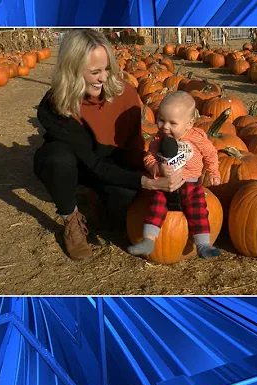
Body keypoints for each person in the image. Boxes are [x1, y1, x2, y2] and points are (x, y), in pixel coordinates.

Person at [34, 29, 185, 261]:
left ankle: (99, 202)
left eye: (107, 69)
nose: (104, 78)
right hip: (78, 163)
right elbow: (92, 163)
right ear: (72, 71)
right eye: (95, 72)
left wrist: (153, 171)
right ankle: (71, 217)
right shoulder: (54, 106)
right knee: (55, 160)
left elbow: (133, 148)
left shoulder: (126, 95)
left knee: (121, 209)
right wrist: (145, 182)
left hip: (110, 161)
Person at [127, 91, 221, 259]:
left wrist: (214, 172)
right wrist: (155, 167)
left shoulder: (197, 138)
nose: (165, 127)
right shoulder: (158, 139)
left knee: (199, 210)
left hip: (190, 185)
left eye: (172, 123)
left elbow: (211, 154)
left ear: (189, 124)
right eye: (161, 120)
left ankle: (203, 244)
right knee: (156, 207)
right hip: (164, 184)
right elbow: (148, 156)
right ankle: (148, 240)